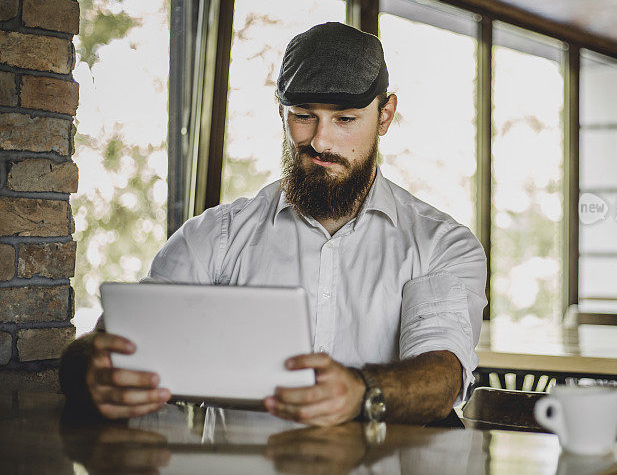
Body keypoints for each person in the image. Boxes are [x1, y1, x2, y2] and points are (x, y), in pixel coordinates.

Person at [60, 22, 487, 426]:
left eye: (345, 119)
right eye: (303, 115)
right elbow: (112, 344)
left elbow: (442, 375)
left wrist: (360, 391)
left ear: (386, 115)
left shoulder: (440, 244)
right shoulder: (215, 237)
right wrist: (88, 371)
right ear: (280, 111)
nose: (320, 141)